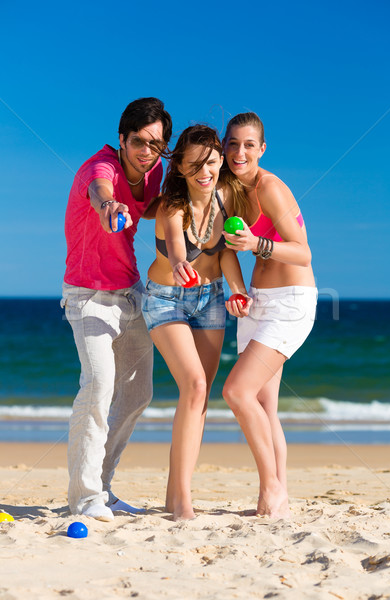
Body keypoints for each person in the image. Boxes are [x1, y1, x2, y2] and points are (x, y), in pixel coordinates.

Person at [61, 97, 172, 521]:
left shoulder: (156, 170)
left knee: (138, 393)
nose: (147, 152)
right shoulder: (100, 167)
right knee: (98, 386)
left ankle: (103, 488)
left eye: (156, 145)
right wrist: (108, 204)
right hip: (88, 296)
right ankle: (85, 498)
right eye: (140, 142)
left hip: (130, 293)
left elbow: (156, 209)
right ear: (122, 139)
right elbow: (99, 190)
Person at [142, 125, 250, 521]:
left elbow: (224, 254)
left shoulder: (226, 197)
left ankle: (176, 495)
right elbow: (174, 243)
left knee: (199, 397)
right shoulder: (173, 206)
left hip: (212, 299)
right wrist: (179, 263)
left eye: (210, 162)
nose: (204, 172)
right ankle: (183, 501)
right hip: (166, 298)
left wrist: (237, 290)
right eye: (194, 166)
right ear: (182, 169)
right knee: (195, 384)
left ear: (221, 159)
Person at [222, 112, 317, 518]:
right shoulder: (229, 190)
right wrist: (239, 291)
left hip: (291, 302)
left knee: (237, 393)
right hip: (258, 301)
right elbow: (228, 250)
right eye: (232, 143)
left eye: (248, 144)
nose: (239, 152)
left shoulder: (271, 188)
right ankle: (278, 500)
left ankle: (272, 490)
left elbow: (302, 251)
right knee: (263, 406)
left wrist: (257, 243)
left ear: (261, 149)